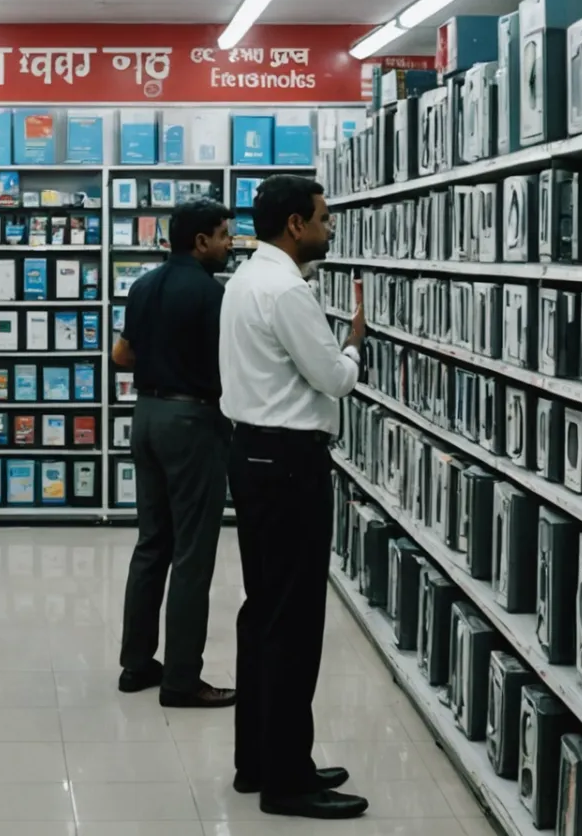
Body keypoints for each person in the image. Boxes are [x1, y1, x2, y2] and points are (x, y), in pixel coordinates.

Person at [219, 174, 368, 820]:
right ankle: (288, 779)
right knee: (294, 624)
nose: (329, 228)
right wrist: (357, 342)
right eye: (323, 217)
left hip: (252, 457)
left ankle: (260, 759)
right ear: (295, 226)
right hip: (288, 465)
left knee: (264, 615)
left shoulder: (248, 279)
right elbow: (333, 379)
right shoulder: (288, 289)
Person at [113, 197, 239, 708]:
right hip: (192, 422)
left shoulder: (143, 286)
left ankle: (136, 665)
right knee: (192, 555)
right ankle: (183, 679)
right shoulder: (213, 295)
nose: (232, 244)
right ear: (201, 241)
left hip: (146, 417)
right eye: (225, 235)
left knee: (152, 545)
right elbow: (231, 362)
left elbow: (121, 355)